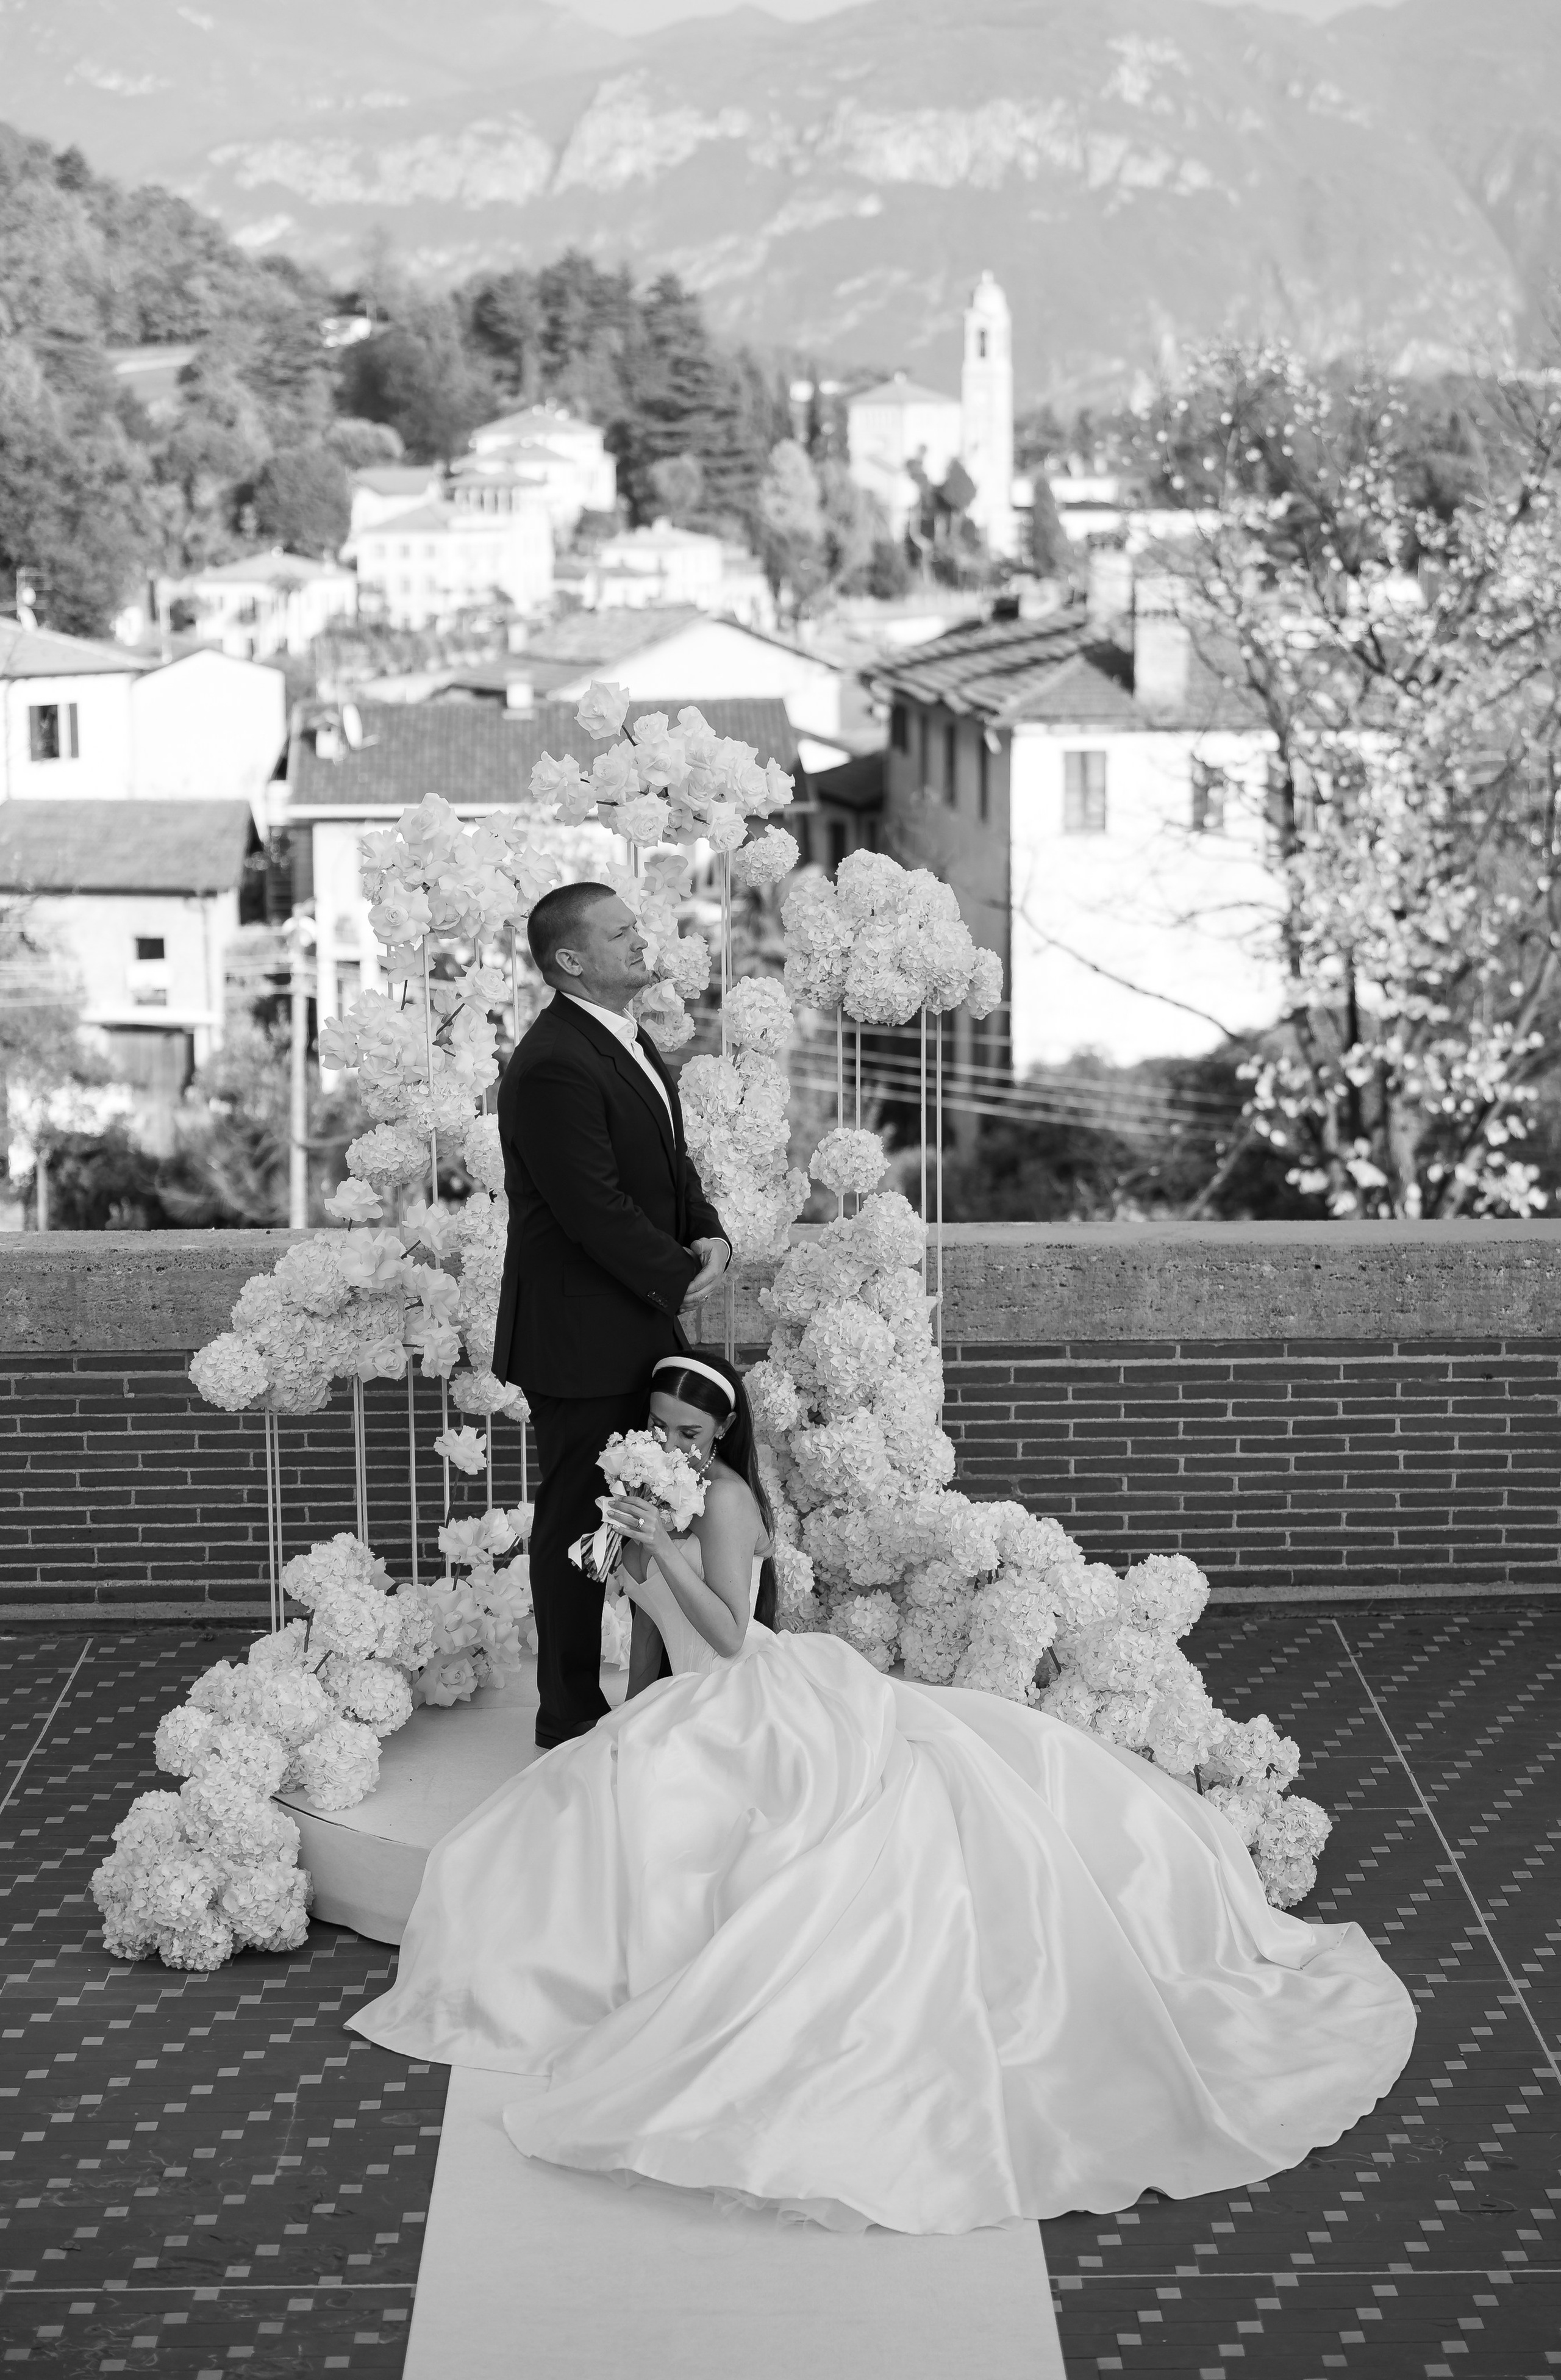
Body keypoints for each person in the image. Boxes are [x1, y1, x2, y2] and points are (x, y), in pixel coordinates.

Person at [351, 1356, 1416, 2235]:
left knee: (735, 1828)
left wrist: (661, 1544)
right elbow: (651, 1640)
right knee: (565, 1810)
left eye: (691, 1431)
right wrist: (627, 1701)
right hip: (689, 1699)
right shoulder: (651, 1490)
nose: (673, 1442)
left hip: (751, 1691)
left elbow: (727, 1632)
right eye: (662, 1426)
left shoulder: (724, 1500)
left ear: (721, 1437)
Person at [491, 882, 730, 1749]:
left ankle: (653, 1697)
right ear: (570, 959)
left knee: (649, 1515)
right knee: (577, 1526)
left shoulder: (626, 1038)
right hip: (579, 1337)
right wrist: (678, 1276)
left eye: (637, 925)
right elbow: (591, 1206)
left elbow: (667, 1165)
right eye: (620, 932)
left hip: (635, 1320)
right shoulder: (554, 1061)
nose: (641, 939)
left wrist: (708, 1234)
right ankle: (568, 1716)